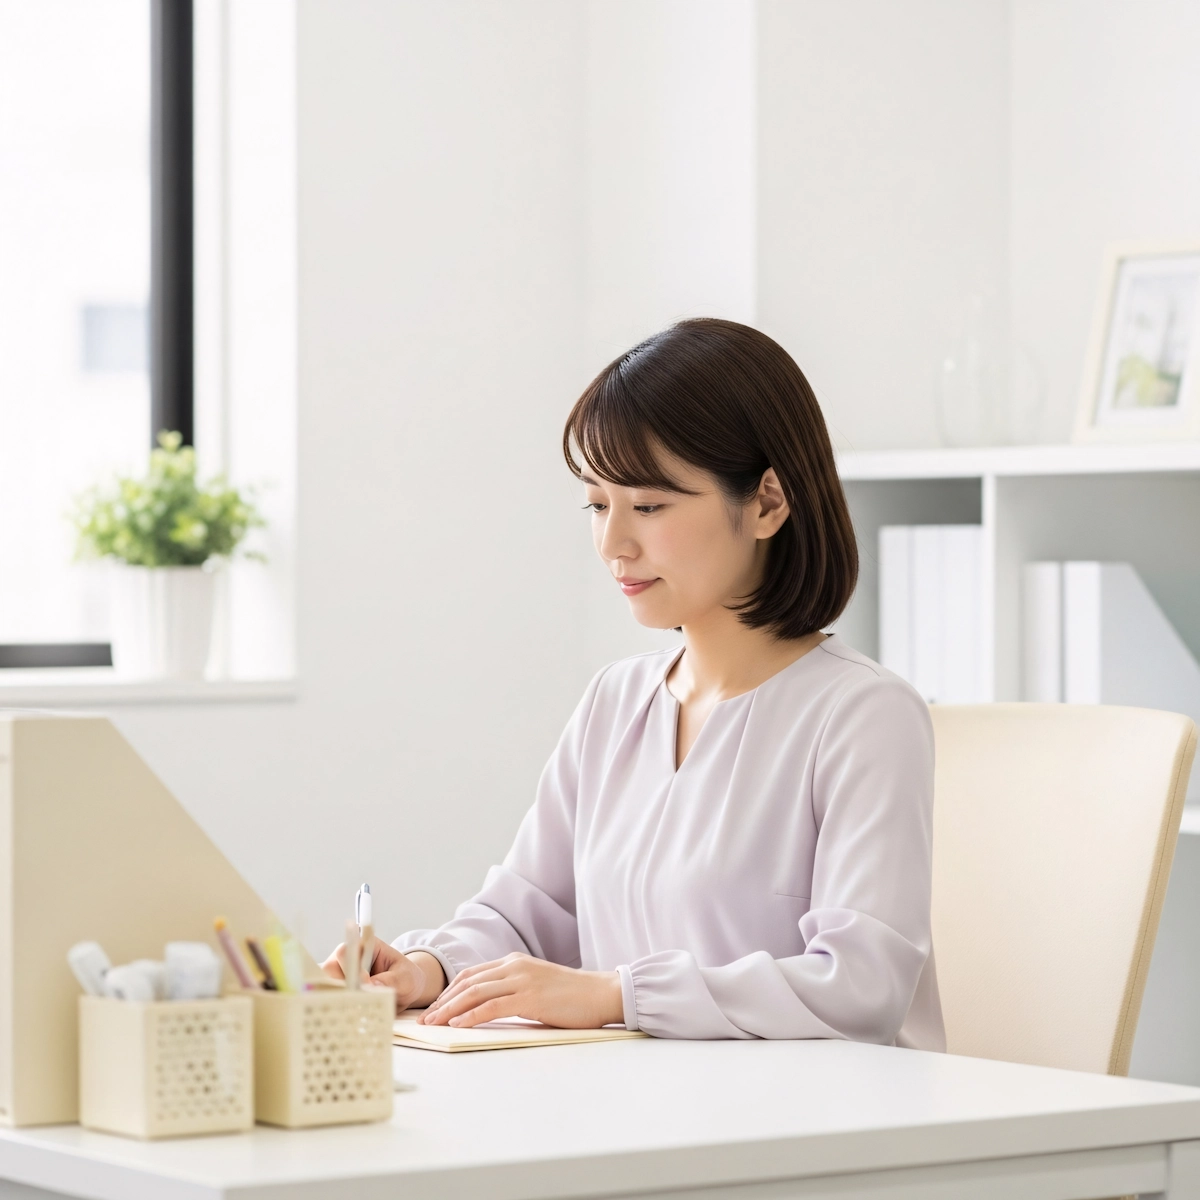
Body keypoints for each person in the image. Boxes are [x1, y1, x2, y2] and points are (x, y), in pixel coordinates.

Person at [323, 318, 944, 1049]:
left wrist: (615, 994)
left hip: (816, 1130)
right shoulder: (616, 702)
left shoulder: (864, 716)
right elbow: (531, 912)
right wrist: (429, 968)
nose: (614, 543)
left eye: (648, 506)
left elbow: (859, 986)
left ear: (769, 503)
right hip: (642, 1108)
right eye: (597, 504)